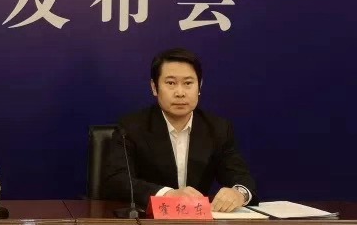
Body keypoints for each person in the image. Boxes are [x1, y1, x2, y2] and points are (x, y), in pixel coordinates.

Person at [101, 48, 257, 213]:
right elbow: (116, 180)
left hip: (197, 223)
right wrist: (167, 194)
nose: (180, 93)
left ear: (199, 86)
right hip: (147, 222)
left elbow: (241, 177)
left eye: (188, 83)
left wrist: (239, 193)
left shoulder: (218, 128)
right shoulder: (131, 127)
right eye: (171, 83)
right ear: (154, 87)